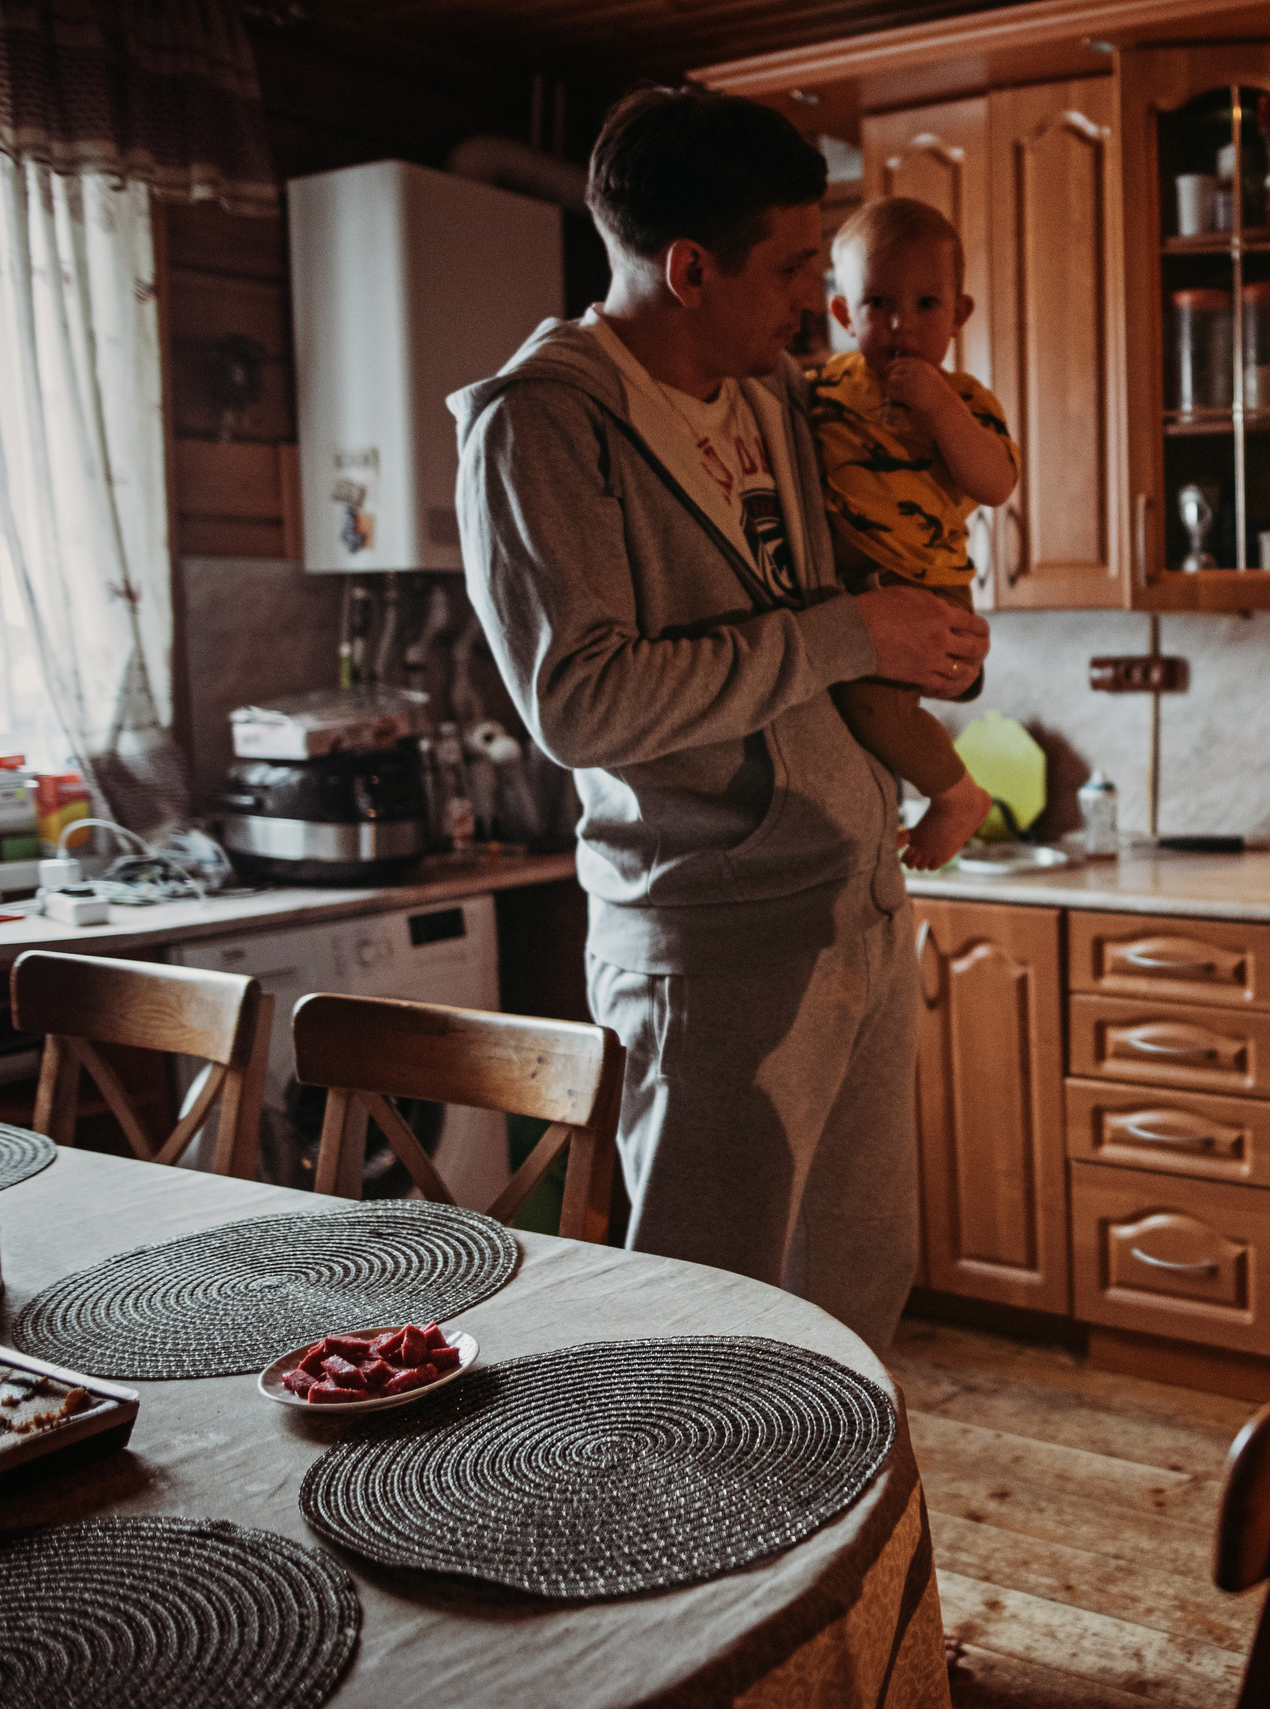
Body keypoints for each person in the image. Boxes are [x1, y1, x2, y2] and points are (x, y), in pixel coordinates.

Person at [450, 86, 989, 1351]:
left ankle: (835, 1558)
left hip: (853, 904)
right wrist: (859, 635)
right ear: (690, 268)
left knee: (854, 1303)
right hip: (712, 943)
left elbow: (852, 576)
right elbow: (582, 700)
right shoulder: (541, 425)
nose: (817, 300)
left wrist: (928, 617)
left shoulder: (769, 398)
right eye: (797, 266)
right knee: (709, 1329)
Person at [810, 196, 1016, 870]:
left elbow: (994, 483)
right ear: (843, 314)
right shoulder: (823, 388)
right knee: (852, 707)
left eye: (927, 304)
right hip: (852, 588)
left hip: (929, 586)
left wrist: (941, 411)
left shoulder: (967, 400)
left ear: (960, 313)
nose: (902, 324)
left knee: (870, 703)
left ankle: (958, 797)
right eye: (877, 305)